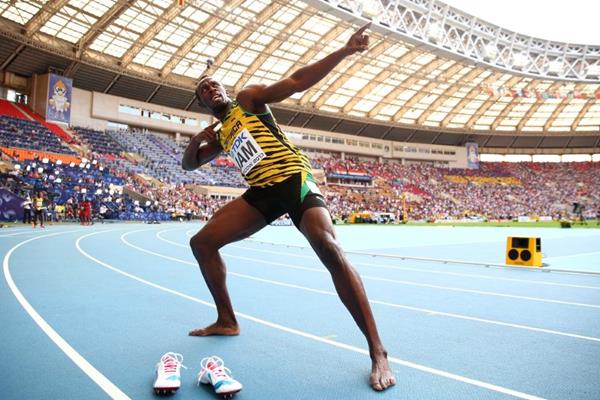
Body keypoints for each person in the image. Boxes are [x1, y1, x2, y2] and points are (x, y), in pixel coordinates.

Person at [182, 23, 395, 391]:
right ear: (202, 103)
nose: (211, 88)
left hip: (293, 178)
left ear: (225, 90)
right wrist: (196, 140)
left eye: (215, 84)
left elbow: (296, 81)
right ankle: (227, 320)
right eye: (204, 89)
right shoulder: (218, 135)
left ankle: (378, 351)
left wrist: (345, 50)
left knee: (328, 247)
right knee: (201, 243)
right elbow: (190, 165)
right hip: (262, 191)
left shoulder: (248, 100)